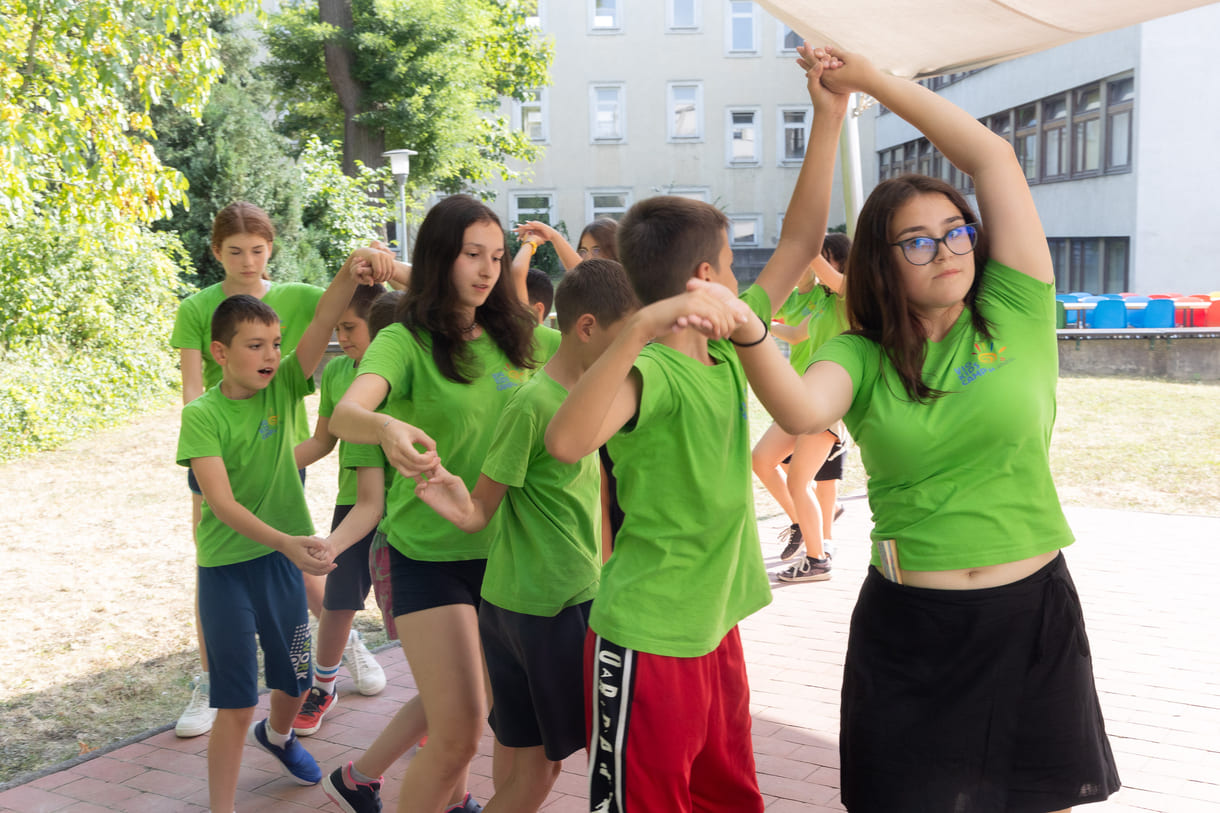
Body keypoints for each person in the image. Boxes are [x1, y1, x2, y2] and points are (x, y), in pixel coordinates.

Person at [728, 45, 1120, 812]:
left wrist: (871, 81)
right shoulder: (861, 352)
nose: (945, 250)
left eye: (956, 231)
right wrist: (749, 334)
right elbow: (803, 414)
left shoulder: (1016, 306)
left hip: (1032, 617)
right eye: (917, 240)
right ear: (884, 259)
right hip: (913, 633)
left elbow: (992, 155)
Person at [543, 47, 847, 811]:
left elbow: (799, 242)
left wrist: (829, 116)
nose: (748, 282)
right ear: (706, 281)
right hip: (646, 638)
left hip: (713, 630)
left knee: (728, 798)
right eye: (731, 268)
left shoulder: (724, 347)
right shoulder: (650, 371)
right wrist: (640, 327)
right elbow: (567, 442)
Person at [329, 194, 561, 813]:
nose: (487, 270)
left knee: (509, 733)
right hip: (430, 556)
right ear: (440, 257)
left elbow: (604, 346)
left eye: (496, 256)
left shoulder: (520, 337)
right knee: (457, 734)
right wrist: (384, 428)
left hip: (513, 560)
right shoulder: (404, 340)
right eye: (471, 256)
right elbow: (348, 412)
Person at [413, 258, 637, 812]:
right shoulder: (534, 402)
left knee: (518, 759)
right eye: (622, 342)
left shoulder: (583, 398)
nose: (629, 358)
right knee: (540, 773)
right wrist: (447, 493)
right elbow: (479, 511)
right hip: (547, 609)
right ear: (585, 329)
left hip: (521, 603)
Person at [175, 251, 382, 813]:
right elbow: (220, 503)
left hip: (279, 572)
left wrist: (349, 273)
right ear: (220, 353)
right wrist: (290, 543)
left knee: (293, 683)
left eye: (273, 343)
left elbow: (319, 326)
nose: (271, 355)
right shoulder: (202, 417)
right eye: (255, 345)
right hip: (226, 576)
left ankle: (281, 736)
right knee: (238, 702)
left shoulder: (284, 384)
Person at [169, 201, 325, 738]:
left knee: (296, 572)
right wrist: (207, 449)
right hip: (217, 455)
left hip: (281, 456)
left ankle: (327, 655)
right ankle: (215, 681)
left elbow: (341, 318)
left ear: (271, 249)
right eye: (234, 251)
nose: (247, 260)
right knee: (216, 559)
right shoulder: (197, 308)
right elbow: (194, 386)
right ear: (216, 253)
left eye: (257, 250)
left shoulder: (295, 302)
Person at [291, 280, 398, 737]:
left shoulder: (402, 370)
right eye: (338, 328)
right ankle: (324, 686)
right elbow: (320, 441)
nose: (343, 337)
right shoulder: (336, 375)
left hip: (406, 508)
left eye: (351, 327)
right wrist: (261, 468)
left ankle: (435, 702)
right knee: (337, 603)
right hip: (352, 504)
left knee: (415, 616)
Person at [752, 233, 850, 582]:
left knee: (799, 480)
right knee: (761, 459)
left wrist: (808, 249)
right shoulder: (823, 303)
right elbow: (795, 335)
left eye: (823, 258)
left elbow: (834, 279)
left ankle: (817, 557)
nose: (814, 265)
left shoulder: (849, 295)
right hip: (802, 396)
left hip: (828, 401)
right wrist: (760, 326)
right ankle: (809, 529)